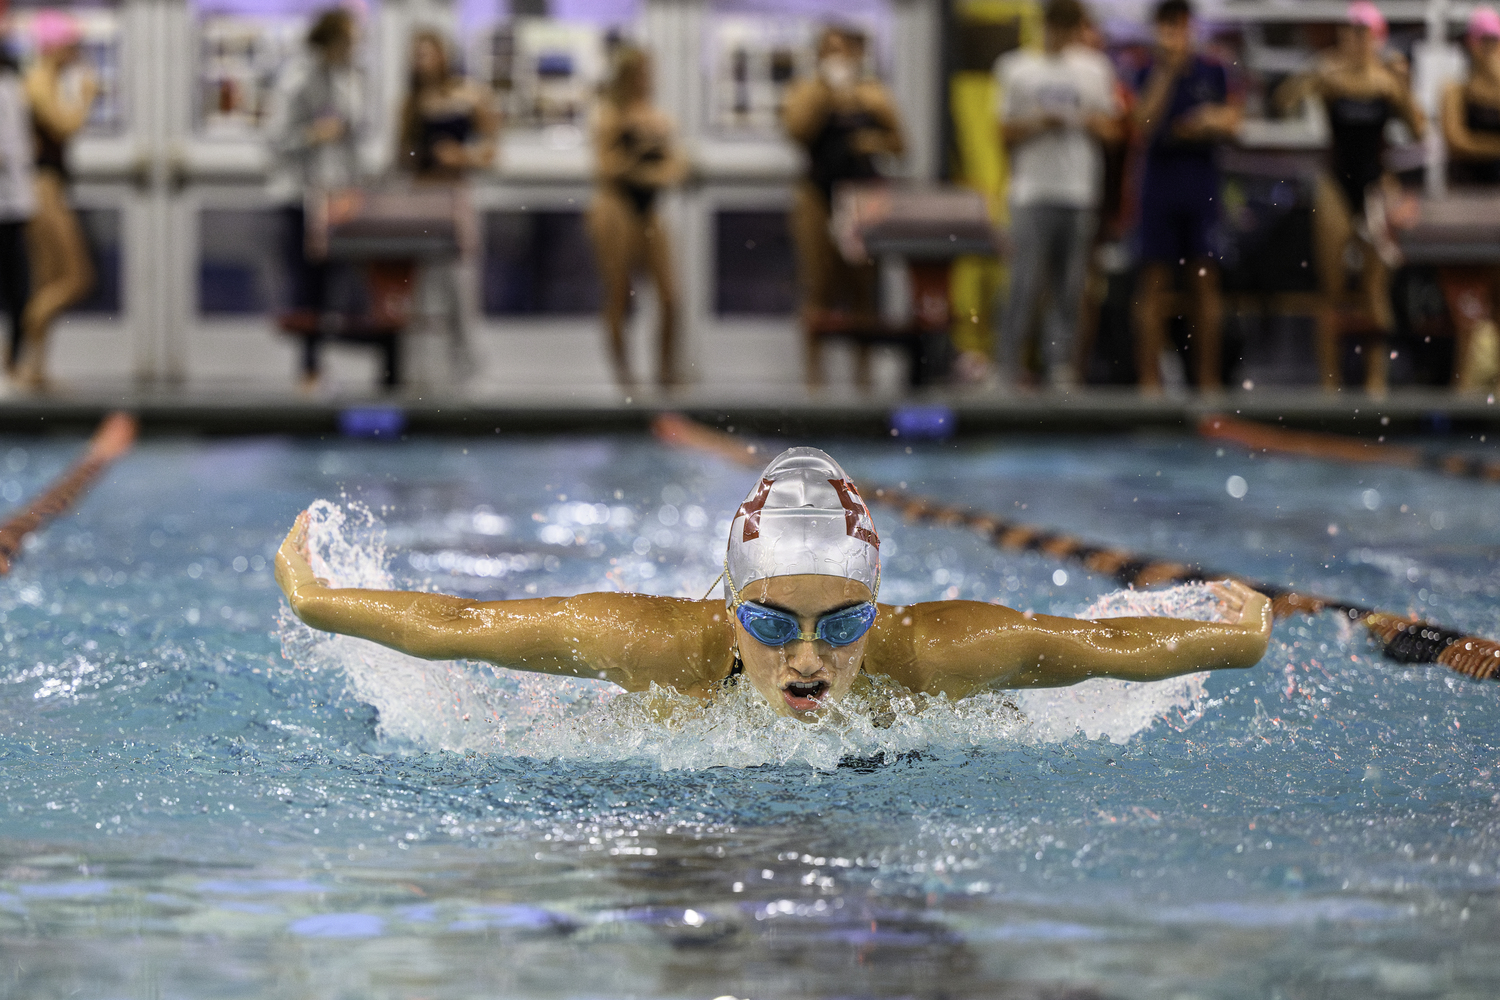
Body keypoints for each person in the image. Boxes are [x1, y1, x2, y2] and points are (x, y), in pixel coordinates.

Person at [275, 446, 1273, 719]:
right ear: (727, 605)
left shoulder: (932, 653)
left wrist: (1236, 636)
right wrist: (320, 599)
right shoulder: (662, 647)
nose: (804, 658)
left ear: (875, 610)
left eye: (840, 625)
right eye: (769, 618)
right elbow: (464, 622)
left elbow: (1094, 644)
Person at [1275, 2, 1425, 395]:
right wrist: (1312, 72)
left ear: (1375, 38)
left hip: (1375, 186)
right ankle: (1330, 384)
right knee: (1332, 289)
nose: (1353, 41)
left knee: (1376, 290)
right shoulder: (1329, 75)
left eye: (1361, 34)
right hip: (1335, 184)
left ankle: (1377, 383)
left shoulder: (1388, 80)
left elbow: (1419, 131)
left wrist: (1404, 87)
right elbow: (1282, 102)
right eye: (1348, 33)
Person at [995, 0, 1122, 391]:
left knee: (1070, 288)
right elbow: (1002, 134)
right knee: (1023, 283)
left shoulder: (1094, 68)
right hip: (1031, 191)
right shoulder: (1016, 67)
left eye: (1070, 26)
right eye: (1057, 25)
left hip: (1077, 191)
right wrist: (1040, 122)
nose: (1063, 34)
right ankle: (1005, 368)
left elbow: (1114, 132)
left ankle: (1060, 367)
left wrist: (1081, 118)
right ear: (1044, 24)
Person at [781, 25, 905, 388]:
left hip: (861, 195)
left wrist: (873, 139)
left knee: (862, 288)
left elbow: (901, 144)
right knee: (817, 284)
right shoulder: (806, 92)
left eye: (844, 51)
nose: (839, 58)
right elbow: (796, 132)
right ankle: (815, 382)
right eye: (830, 51)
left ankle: (862, 379)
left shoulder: (873, 93)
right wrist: (827, 94)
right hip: (817, 192)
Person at [1129, 0, 1241, 395]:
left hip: (1200, 185)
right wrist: (1166, 73)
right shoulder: (1145, 71)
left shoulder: (1213, 70)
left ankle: (1207, 382)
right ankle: (1149, 383)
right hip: (1160, 185)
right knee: (1154, 283)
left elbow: (1234, 121)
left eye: (1181, 27)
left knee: (1204, 282)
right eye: (1168, 28)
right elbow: (1142, 125)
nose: (1175, 36)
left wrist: (1211, 120)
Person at [265, 8, 362, 392]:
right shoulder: (296, 79)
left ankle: (320, 363)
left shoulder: (346, 80)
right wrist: (313, 135)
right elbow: (276, 140)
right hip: (298, 196)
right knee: (304, 282)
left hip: (333, 196)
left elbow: (350, 134)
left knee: (331, 284)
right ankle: (307, 368)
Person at [396, 29, 498, 385]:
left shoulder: (469, 97)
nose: (421, 61)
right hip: (421, 200)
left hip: (455, 199)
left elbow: (491, 153)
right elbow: (401, 156)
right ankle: (421, 375)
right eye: (416, 55)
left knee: (461, 287)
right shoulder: (411, 104)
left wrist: (461, 156)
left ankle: (469, 372)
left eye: (427, 53)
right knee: (420, 290)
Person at [585, 45, 686, 390]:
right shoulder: (610, 116)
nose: (646, 80)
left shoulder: (657, 118)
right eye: (640, 74)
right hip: (615, 209)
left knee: (671, 297)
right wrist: (643, 163)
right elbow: (604, 168)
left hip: (649, 210)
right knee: (618, 294)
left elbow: (676, 167)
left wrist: (647, 168)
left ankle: (665, 375)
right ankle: (624, 379)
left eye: (649, 73)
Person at [17, 10, 96, 391]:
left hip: (50, 185)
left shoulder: (48, 79)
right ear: (57, 46)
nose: (79, 52)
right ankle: (16, 353)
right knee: (75, 278)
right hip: (42, 187)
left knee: (48, 280)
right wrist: (85, 100)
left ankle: (35, 369)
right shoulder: (38, 81)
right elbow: (63, 127)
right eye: (74, 44)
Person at [1437, 7, 1500, 391]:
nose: (1491, 50)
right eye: (1486, 42)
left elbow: (1469, 141)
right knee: (1468, 308)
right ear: (1471, 46)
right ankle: (1463, 391)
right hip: (1465, 210)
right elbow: (1457, 141)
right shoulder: (1454, 90)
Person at [0, 34, 35, 378]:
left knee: (17, 286)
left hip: (14, 202)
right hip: (9, 199)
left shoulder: (11, 87)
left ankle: (15, 360)